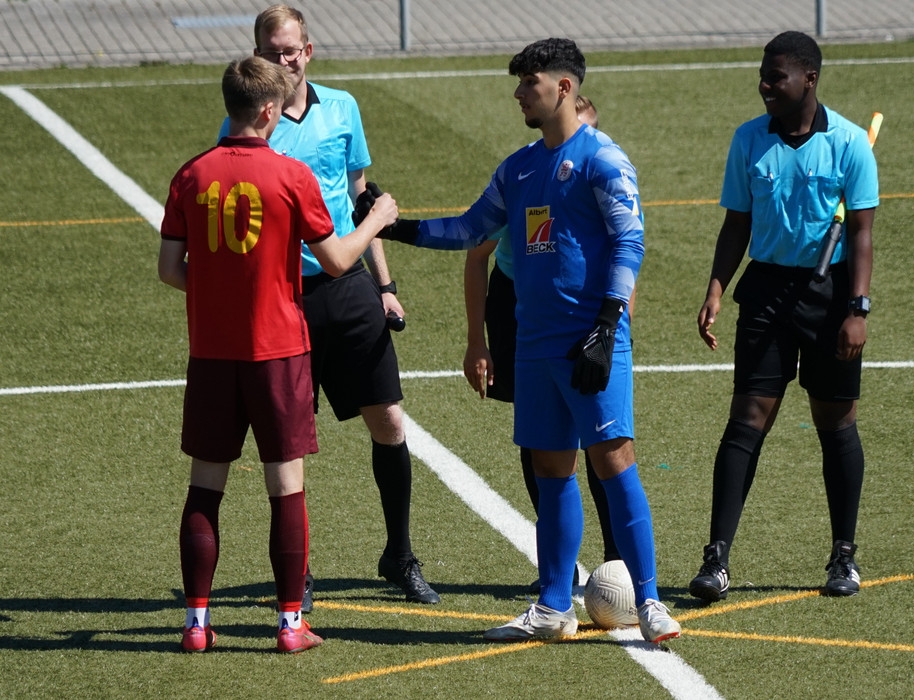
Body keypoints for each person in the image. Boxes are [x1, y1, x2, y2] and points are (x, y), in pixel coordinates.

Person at [374, 38, 681, 646]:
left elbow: (630, 242)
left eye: (528, 83)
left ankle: (649, 601)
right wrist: (389, 225)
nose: (518, 93)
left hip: (591, 341)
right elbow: (468, 230)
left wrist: (607, 325)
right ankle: (553, 605)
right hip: (534, 344)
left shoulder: (604, 159)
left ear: (563, 88)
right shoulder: (516, 169)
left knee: (614, 460)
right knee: (550, 469)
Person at [159, 55, 399, 653]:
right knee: (285, 486)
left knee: (205, 485)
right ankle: (291, 625)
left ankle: (195, 624)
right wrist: (377, 220)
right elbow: (337, 262)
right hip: (280, 350)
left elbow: (169, 268)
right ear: (270, 110)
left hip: (213, 353)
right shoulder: (291, 176)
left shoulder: (191, 175)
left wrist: (220, 296)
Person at [230, 4, 439, 606]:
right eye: (272, 52)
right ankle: (298, 571)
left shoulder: (344, 107)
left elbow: (359, 198)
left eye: (291, 50)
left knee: (389, 421)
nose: (284, 60)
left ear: (309, 50)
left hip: (349, 289)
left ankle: (400, 556)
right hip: (284, 295)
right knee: (291, 438)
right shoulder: (252, 122)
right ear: (258, 57)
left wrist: (386, 287)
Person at [688, 31, 878, 603]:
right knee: (747, 418)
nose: (765, 86)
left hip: (831, 296)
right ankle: (716, 558)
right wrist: (716, 288)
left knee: (835, 422)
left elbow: (862, 234)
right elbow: (737, 224)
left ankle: (843, 556)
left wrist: (857, 309)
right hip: (766, 290)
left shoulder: (850, 143)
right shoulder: (749, 139)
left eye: (777, 77)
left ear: (809, 79)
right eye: (763, 77)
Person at [463, 95, 623, 594]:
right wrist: (476, 341)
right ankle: (559, 563)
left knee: (601, 439)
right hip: (520, 303)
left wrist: (613, 334)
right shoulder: (527, 178)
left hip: (590, 306)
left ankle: (618, 561)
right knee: (541, 438)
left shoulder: (604, 171)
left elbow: (626, 255)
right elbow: (476, 254)